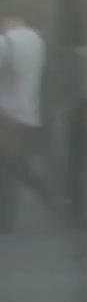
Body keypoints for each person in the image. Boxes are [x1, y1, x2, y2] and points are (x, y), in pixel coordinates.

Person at [0, 16, 48, 231]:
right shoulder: (37, 41)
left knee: (10, 166)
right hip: (28, 113)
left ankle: (6, 219)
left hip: (6, 114)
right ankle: (48, 196)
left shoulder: (6, 42)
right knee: (13, 164)